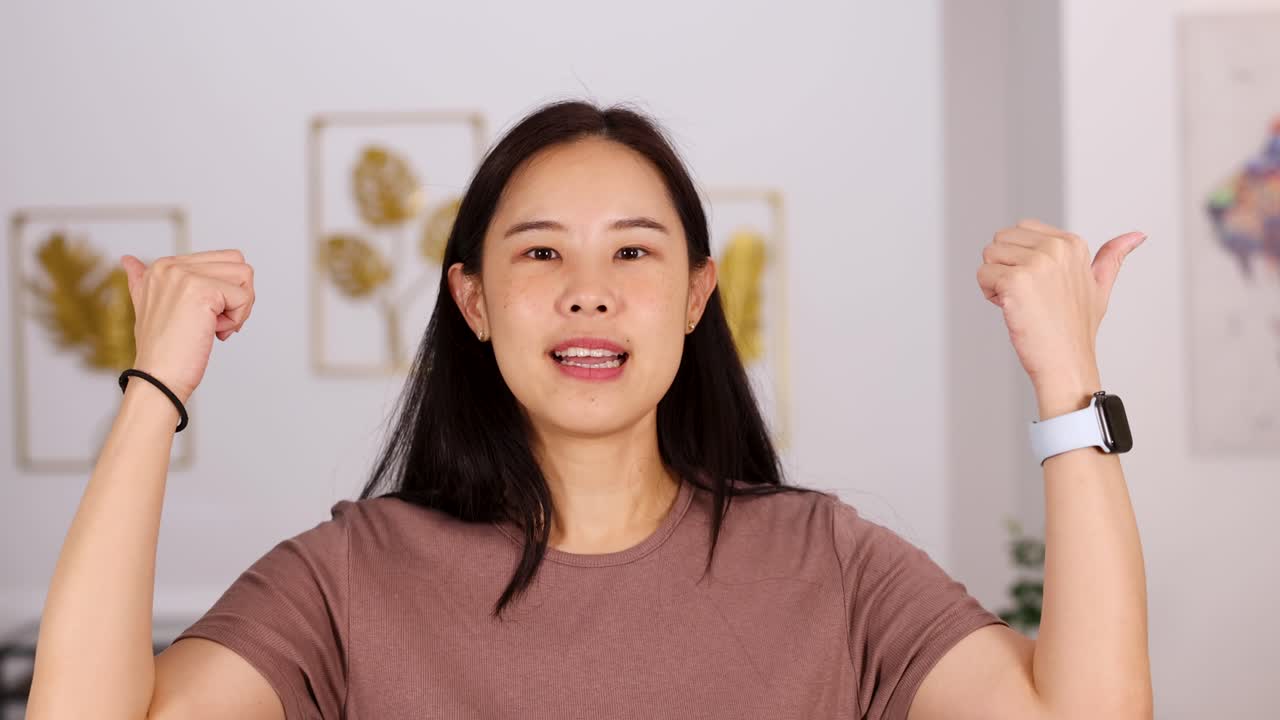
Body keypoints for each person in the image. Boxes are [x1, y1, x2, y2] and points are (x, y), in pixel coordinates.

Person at [25, 100, 1152, 719]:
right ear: (470, 297)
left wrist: (1066, 381)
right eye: (538, 251)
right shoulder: (347, 579)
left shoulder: (832, 566)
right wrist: (155, 389)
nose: (589, 289)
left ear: (698, 294)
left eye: (632, 250)